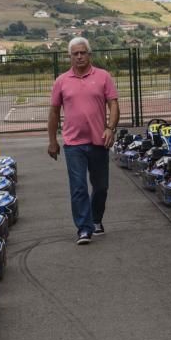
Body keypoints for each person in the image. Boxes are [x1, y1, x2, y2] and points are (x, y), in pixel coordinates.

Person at [47, 36, 120, 244]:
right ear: (70, 56)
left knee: (100, 187)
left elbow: (113, 105)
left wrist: (111, 128)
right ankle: (84, 228)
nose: (79, 56)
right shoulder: (61, 81)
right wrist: (52, 141)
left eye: (83, 52)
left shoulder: (104, 76)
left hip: (99, 142)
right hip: (73, 144)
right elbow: (53, 113)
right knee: (78, 187)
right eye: (75, 53)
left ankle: (96, 219)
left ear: (89, 54)